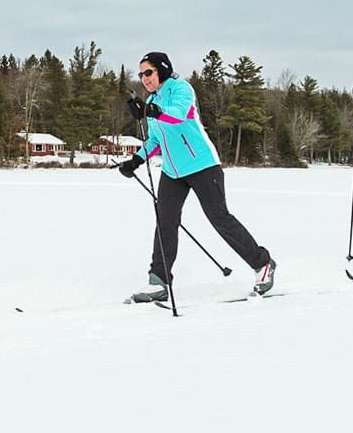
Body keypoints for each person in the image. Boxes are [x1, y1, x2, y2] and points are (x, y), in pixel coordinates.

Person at [118, 52, 276, 302]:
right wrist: (136, 160)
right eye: (141, 74)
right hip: (173, 172)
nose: (144, 78)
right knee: (165, 221)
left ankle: (263, 263)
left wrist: (151, 110)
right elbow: (156, 140)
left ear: (162, 70)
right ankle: (158, 281)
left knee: (219, 217)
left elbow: (179, 114)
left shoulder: (181, 89)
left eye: (148, 72)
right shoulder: (152, 100)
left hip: (202, 164)